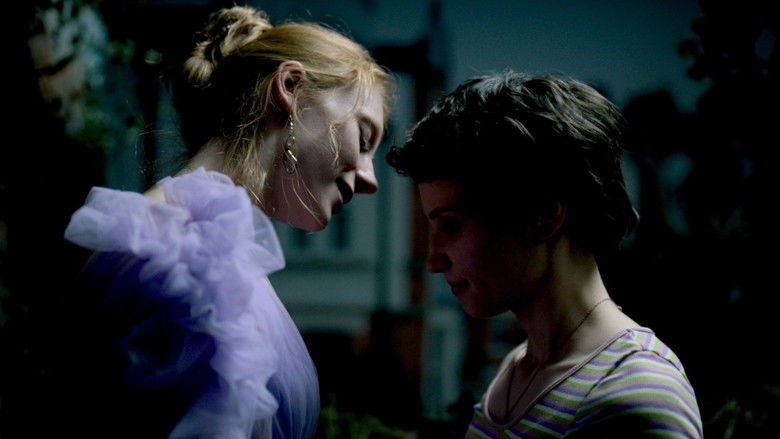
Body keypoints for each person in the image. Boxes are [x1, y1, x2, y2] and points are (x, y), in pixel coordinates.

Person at [62, 5, 390, 438]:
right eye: (363, 138)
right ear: (290, 87)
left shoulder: (211, 254)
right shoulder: (187, 260)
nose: (370, 179)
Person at [386, 72, 702, 437]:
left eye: (452, 225)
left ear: (545, 216)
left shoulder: (635, 393)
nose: (433, 260)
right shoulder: (518, 367)